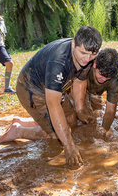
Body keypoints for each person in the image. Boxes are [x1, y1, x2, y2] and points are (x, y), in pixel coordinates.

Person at [7, 26, 102, 168]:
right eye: (83, 53)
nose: (87, 59)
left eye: (92, 55)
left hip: (55, 87)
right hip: (32, 89)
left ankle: (33, 120)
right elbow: (53, 104)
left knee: (71, 120)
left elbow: (80, 80)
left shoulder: (86, 55)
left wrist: (80, 109)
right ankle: (18, 130)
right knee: (55, 135)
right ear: (73, 43)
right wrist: (69, 146)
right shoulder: (59, 61)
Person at [0, 48, 118, 142]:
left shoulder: (115, 79)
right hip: (65, 89)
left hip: (82, 91)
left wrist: (103, 130)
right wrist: (81, 109)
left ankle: (26, 122)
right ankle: (19, 131)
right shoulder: (84, 63)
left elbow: (110, 110)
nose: (103, 79)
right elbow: (73, 88)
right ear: (94, 64)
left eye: (108, 77)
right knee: (59, 133)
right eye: (101, 74)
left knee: (80, 122)